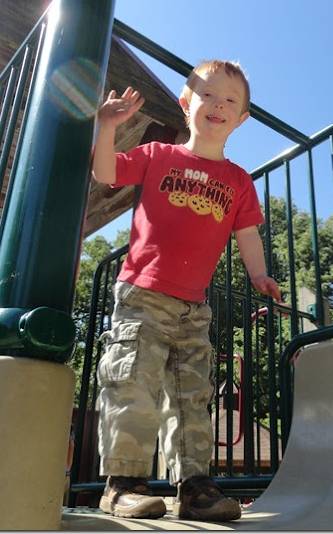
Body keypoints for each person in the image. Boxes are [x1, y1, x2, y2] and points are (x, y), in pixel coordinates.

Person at [91, 60, 281, 522]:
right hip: (142, 294)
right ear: (185, 103)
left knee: (192, 395)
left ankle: (194, 488)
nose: (218, 105)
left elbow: (247, 233)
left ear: (241, 119)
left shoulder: (238, 181)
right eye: (207, 95)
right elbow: (105, 172)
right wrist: (106, 126)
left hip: (194, 307)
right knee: (133, 382)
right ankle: (123, 484)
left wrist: (259, 275)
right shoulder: (158, 155)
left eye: (230, 100)